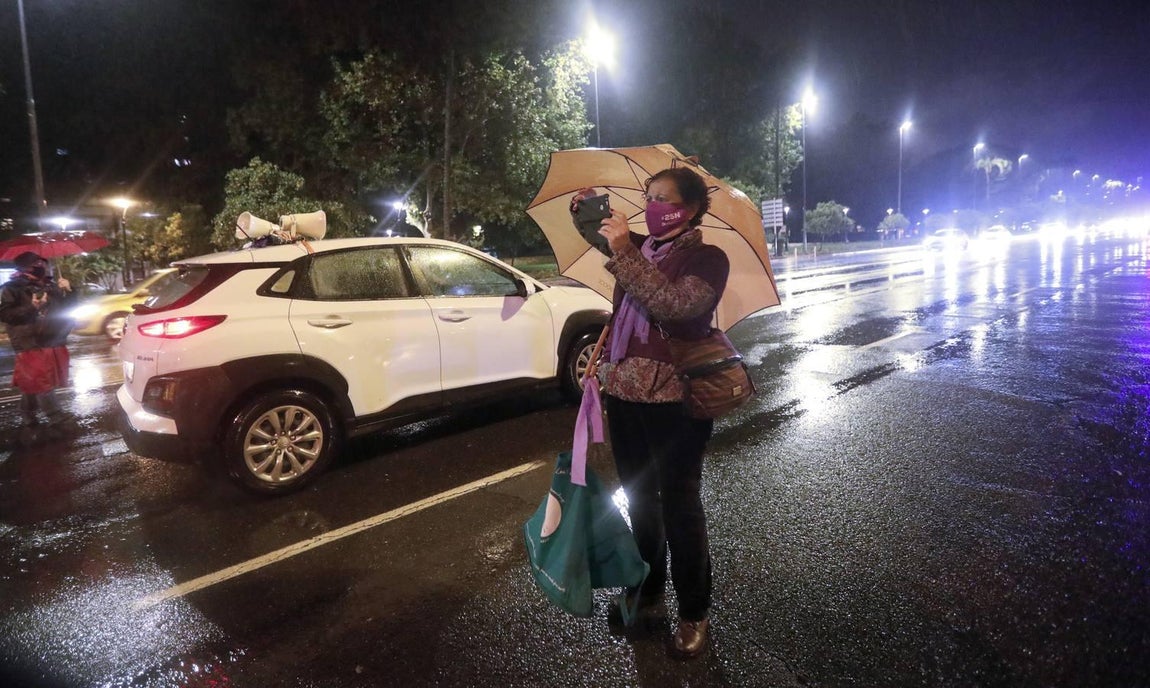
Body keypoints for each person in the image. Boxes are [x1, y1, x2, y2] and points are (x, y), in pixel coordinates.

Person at [572, 166, 729, 658]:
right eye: (649, 196)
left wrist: (625, 251)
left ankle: (694, 611)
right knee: (639, 501)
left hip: (676, 404)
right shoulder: (640, 248)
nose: (652, 206)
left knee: (680, 509)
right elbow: (597, 234)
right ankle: (648, 590)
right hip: (624, 396)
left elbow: (676, 306)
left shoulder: (708, 259)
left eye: (663, 198)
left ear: (691, 208)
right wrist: (587, 209)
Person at [0, 251, 77, 443]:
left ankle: (27, 413)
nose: (42, 266)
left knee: (34, 380)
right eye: (36, 264)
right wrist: (32, 307)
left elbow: (67, 308)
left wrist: (70, 291)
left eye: (42, 263)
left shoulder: (50, 285)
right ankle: (56, 416)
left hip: (52, 338)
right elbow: (6, 315)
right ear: (24, 267)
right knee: (42, 380)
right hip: (29, 341)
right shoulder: (12, 288)